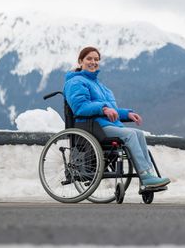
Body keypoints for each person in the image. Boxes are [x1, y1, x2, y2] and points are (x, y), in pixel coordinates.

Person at [64, 46, 170, 188]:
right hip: (91, 126)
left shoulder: (100, 86)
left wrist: (127, 114)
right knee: (130, 135)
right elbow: (80, 108)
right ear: (80, 61)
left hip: (106, 124)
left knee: (138, 133)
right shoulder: (75, 82)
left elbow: (111, 111)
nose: (93, 62)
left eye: (96, 59)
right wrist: (103, 108)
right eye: (89, 58)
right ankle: (145, 175)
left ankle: (149, 174)